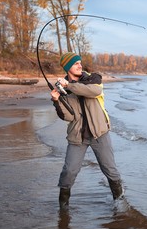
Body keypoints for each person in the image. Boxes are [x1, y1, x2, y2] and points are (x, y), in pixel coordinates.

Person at [50, 52, 123, 209]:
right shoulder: (63, 88)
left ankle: (120, 203)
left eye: (80, 63)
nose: (80, 65)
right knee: (69, 172)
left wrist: (69, 86)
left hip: (100, 134)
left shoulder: (93, 78)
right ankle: (63, 208)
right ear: (68, 67)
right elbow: (68, 116)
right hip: (77, 137)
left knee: (110, 170)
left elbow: (94, 92)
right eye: (76, 63)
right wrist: (56, 100)